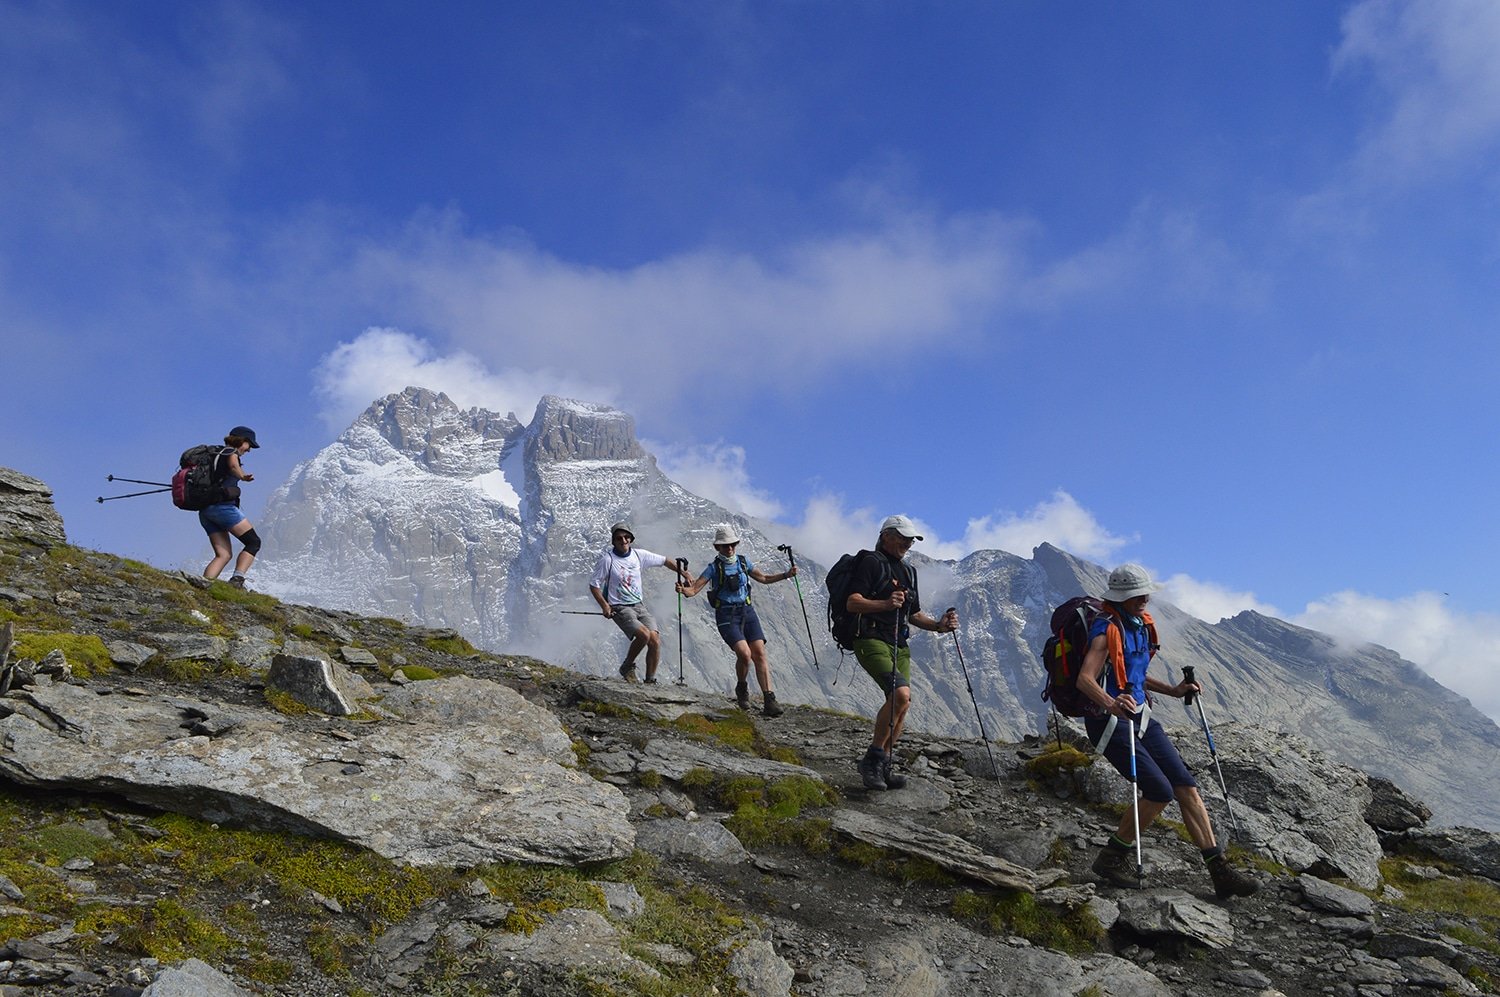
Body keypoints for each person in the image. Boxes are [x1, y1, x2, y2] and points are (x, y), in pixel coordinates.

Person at [1076, 563, 1259, 900]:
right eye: (1137, 594)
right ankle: (1111, 858)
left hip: (1141, 715)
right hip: (1109, 722)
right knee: (1159, 791)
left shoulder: (1140, 626)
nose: (1145, 599)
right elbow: (1085, 679)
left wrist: (1174, 691)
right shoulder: (1104, 631)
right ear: (1121, 597)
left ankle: (1219, 871)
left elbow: (1133, 674)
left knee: (1185, 785)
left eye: (1145, 593)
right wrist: (1110, 702)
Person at [846, 515, 958, 791]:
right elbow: (852, 602)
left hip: (899, 644)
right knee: (900, 694)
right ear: (886, 536)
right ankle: (872, 761)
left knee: (902, 704)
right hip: (870, 638)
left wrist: (939, 626)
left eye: (911, 539)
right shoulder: (870, 562)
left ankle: (883, 765)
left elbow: (913, 613)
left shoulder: (909, 572)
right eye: (902, 538)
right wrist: (885, 603)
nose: (908, 543)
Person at [676, 524, 798, 718]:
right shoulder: (713, 568)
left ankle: (769, 700)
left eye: (732, 544)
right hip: (726, 616)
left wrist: (785, 575)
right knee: (744, 654)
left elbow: (763, 578)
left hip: (747, 612)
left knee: (759, 653)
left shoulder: (743, 562)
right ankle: (742, 688)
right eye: (725, 546)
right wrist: (684, 591)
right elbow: (695, 589)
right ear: (718, 548)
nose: (729, 548)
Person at [589, 522, 691, 683]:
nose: (623, 541)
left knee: (655, 640)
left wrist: (683, 573)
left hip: (639, 605)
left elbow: (665, 561)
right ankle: (627, 666)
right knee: (643, 635)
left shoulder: (638, 555)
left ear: (631, 538)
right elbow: (594, 585)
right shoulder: (607, 560)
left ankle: (650, 680)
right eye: (619, 538)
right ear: (613, 541)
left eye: (626, 537)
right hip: (619, 607)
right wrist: (605, 606)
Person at [200, 426, 262, 589]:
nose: (249, 450)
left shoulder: (215, 454)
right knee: (253, 542)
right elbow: (234, 466)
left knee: (223, 554)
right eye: (249, 445)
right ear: (242, 441)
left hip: (206, 511)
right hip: (223, 508)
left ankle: (204, 586)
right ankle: (237, 581)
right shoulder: (230, 453)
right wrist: (243, 476)